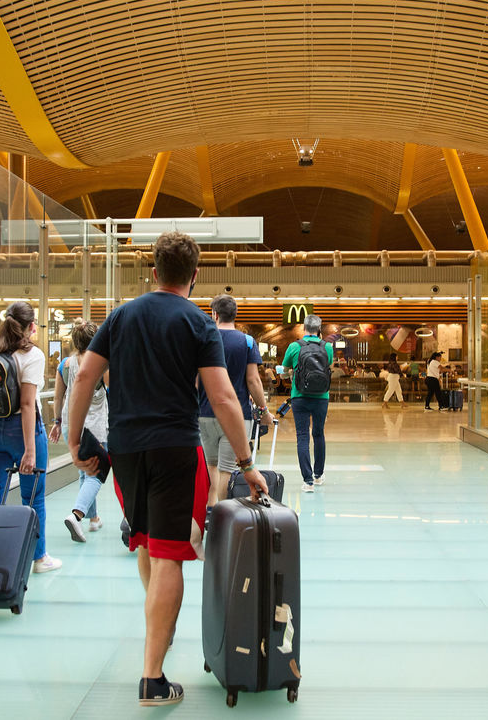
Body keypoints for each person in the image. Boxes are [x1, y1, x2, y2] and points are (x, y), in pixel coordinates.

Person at [65, 232, 265, 707]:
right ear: (194, 277)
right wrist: (246, 463)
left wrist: (74, 440)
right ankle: (152, 678)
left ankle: (160, 627)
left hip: (127, 451)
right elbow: (222, 398)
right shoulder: (198, 325)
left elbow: (85, 377)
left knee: (146, 542)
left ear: (153, 271)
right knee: (170, 554)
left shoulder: (120, 316)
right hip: (175, 448)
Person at [0, 301, 60, 574]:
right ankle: (39, 558)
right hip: (22, 433)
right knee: (33, 498)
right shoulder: (33, 355)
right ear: (31, 326)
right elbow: (27, 404)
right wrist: (29, 451)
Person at [199, 294, 274, 506]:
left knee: (211, 466)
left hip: (205, 413)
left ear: (214, 314)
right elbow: (253, 381)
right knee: (226, 469)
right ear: (235, 314)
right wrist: (263, 410)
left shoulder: (203, 340)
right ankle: (222, 515)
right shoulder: (247, 341)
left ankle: (210, 511)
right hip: (237, 415)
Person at [50, 319, 111, 542]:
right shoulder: (101, 364)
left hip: (69, 424)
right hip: (94, 427)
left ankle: (93, 519)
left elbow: (58, 397)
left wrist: (57, 422)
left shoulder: (64, 364)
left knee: (84, 471)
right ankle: (77, 514)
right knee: (97, 472)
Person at [282, 314, 333, 492]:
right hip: (321, 397)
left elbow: (284, 372)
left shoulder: (294, 347)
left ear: (304, 328)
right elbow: (327, 367)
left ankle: (308, 481)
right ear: (319, 330)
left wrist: (289, 373)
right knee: (318, 434)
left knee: (302, 436)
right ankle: (318, 475)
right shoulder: (327, 347)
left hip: (299, 397)